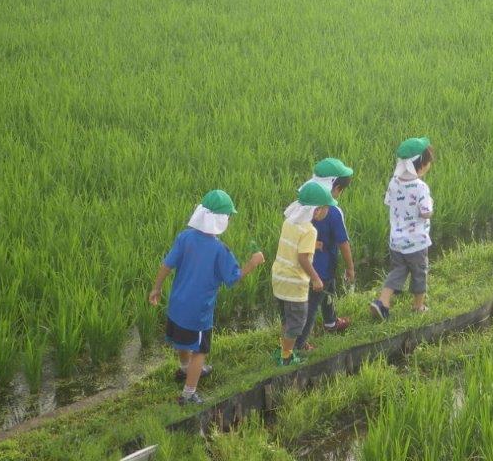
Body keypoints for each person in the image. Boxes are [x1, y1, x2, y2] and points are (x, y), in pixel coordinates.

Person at [148, 189, 265, 406]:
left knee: (182, 340)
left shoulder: (185, 237)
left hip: (177, 304)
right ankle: (189, 394)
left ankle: (184, 369)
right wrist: (253, 262)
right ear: (221, 220)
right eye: (229, 216)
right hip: (199, 311)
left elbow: (166, 264)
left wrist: (156, 288)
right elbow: (233, 279)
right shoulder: (220, 250)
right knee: (200, 350)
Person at [295, 158, 357, 352]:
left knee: (329, 290)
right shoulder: (333, 212)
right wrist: (350, 267)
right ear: (336, 188)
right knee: (311, 306)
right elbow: (343, 243)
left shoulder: (303, 203)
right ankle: (300, 343)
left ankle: (330, 322)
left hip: (304, 264)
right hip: (321, 268)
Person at [370, 137, 434, 322]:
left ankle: (383, 302)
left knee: (398, 271)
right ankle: (418, 305)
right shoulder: (421, 187)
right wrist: (430, 205)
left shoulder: (394, 182)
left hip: (396, 241)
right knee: (419, 272)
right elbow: (425, 213)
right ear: (420, 164)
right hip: (416, 242)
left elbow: (389, 202)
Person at [271, 181, 334, 366]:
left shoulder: (289, 222)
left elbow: (293, 245)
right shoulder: (310, 230)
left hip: (279, 278)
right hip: (294, 282)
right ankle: (287, 357)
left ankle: (283, 350)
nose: (326, 212)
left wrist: (312, 246)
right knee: (297, 322)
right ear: (316, 210)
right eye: (325, 208)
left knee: (286, 318)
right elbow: (303, 259)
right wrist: (316, 278)